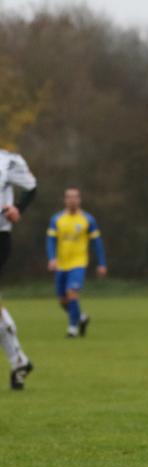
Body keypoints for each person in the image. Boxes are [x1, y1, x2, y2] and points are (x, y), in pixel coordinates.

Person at [46, 187, 107, 338]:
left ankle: (72, 328)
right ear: (65, 200)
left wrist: (102, 263)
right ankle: (81, 318)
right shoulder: (57, 219)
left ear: (79, 200)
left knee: (72, 293)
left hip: (79, 263)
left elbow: (97, 242)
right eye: (69, 197)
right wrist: (52, 258)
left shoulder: (88, 219)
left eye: (75, 197)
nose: (72, 200)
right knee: (62, 300)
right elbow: (50, 241)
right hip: (61, 264)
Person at [0, 147, 37, 390]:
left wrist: (18, 209)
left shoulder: (8, 161)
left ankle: (18, 359)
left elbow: (32, 186)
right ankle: (18, 360)